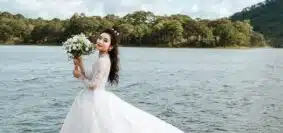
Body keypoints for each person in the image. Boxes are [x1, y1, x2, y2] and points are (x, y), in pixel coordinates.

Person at [60, 28, 185, 133]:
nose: (100, 41)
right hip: (93, 96)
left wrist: (79, 76)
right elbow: (90, 75)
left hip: (95, 97)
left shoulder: (103, 61)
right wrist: (80, 63)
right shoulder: (101, 59)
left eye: (105, 40)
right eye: (100, 38)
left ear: (110, 47)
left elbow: (92, 85)